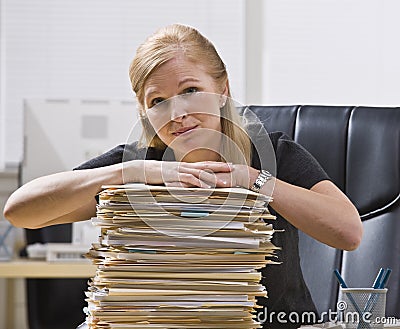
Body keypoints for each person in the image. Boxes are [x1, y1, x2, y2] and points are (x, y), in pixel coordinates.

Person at [3, 24, 362, 328]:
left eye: (190, 90)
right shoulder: (142, 162)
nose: (177, 113)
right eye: (157, 101)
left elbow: (348, 232)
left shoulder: (274, 152)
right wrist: (134, 171)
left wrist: (251, 179)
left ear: (222, 91)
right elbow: (19, 210)